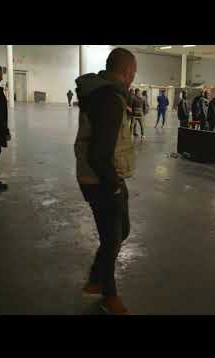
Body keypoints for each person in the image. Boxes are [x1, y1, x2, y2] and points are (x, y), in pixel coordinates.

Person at [74, 47, 137, 315]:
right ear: (126, 72)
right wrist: (113, 185)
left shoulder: (102, 94)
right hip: (100, 178)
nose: (132, 79)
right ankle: (108, 294)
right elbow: (99, 153)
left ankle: (97, 278)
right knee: (113, 236)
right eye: (133, 73)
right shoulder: (110, 99)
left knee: (119, 231)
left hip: (98, 175)